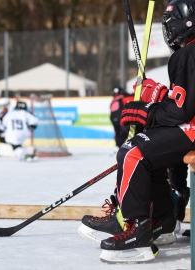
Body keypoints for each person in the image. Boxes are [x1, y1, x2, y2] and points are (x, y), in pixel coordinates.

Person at [80, 1, 195, 262]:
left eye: (171, 23)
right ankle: (162, 221)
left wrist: (148, 110)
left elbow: (181, 110)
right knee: (152, 154)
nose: (168, 30)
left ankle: (136, 231)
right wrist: (159, 98)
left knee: (133, 153)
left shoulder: (188, 53)